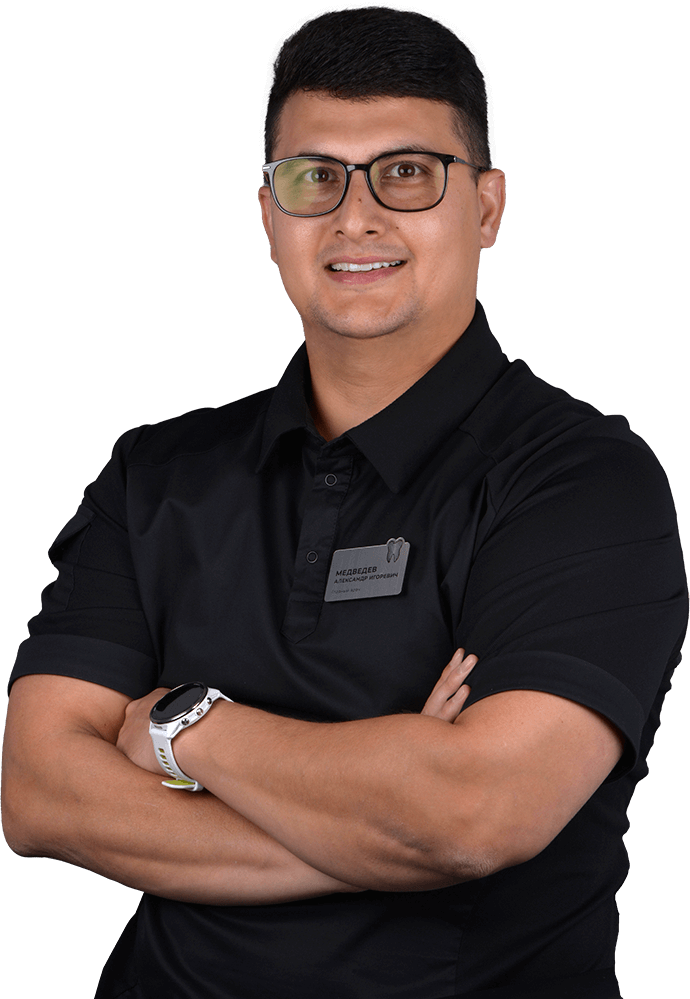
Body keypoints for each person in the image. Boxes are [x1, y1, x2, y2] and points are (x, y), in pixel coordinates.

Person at [2, 7, 687, 998]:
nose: (355, 217)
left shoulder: (583, 481)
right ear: (268, 215)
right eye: (314, 177)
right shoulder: (155, 471)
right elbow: (38, 794)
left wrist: (180, 725)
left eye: (406, 172)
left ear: (487, 207)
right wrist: (381, 833)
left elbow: (473, 814)